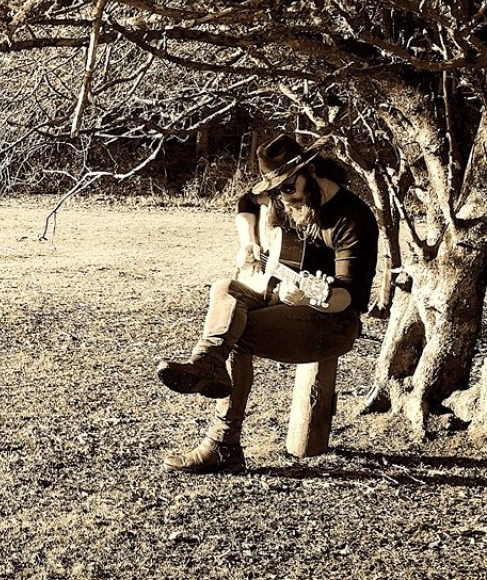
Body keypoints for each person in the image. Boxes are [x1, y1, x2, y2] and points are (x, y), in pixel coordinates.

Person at [156, 133, 379, 474]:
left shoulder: (351, 219)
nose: (281, 198)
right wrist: (248, 243)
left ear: (311, 172)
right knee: (225, 288)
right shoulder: (285, 198)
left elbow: (348, 296)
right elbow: (246, 202)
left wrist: (310, 297)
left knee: (236, 329)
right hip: (281, 299)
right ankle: (208, 362)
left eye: (287, 188)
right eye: (275, 191)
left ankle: (222, 444)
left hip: (332, 320)